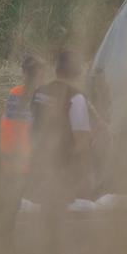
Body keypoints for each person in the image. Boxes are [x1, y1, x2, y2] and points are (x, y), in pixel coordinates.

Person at [29, 50, 95, 210]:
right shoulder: (76, 97)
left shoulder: (38, 93)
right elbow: (81, 141)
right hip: (64, 178)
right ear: (77, 72)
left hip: (39, 173)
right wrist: (86, 177)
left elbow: (30, 130)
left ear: (57, 69)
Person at [0, 55, 44, 176]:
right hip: (30, 164)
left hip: (9, 161)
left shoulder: (13, 93)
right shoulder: (42, 96)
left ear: (23, 73)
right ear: (41, 75)